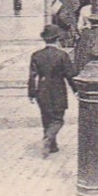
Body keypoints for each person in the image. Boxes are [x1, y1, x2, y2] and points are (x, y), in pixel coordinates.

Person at [28, 24, 75, 155]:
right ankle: (49, 137)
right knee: (58, 119)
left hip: (42, 90)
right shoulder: (62, 55)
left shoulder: (36, 55)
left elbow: (32, 76)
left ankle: (52, 146)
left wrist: (31, 93)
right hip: (58, 89)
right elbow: (70, 75)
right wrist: (76, 90)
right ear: (57, 39)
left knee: (46, 117)